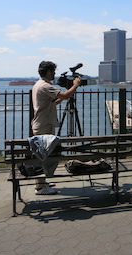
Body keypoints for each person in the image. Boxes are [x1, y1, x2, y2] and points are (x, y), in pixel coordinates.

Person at [31, 61, 81, 195]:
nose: (54, 74)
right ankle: (41, 187)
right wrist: (75, 86)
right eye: (53, 71)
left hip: (42, 123)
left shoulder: (39, 84)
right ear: (48, 72)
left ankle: (42, 182)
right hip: (44, 125)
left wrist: (66, 94)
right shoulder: (45, 86)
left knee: (42, 155)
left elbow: (53, 101)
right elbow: (64, 95)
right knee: (43, 156)